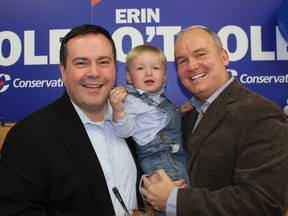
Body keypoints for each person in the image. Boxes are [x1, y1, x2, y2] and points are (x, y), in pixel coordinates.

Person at [141, 26, 288, 216]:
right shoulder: (186, 116)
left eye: (200, 55)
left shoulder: (260, 112)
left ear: (224, 57)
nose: (192, 66)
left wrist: (174, 200)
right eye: (182, 61)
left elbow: (264, 201)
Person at [0, 24, 144, 216]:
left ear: (114, 68)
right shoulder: (28, 138)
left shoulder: (137, 122)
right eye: (81, 63)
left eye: (103, 62)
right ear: (63, 71)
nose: (94, 72)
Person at [109, 45, 192, 190]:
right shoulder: (131, 101)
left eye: (155, 68)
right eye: (140, 68)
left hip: (176, 156)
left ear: (165, 76)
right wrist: (118, 109)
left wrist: (179, 112)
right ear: (129, 77)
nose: (148, 73)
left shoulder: (160, 99)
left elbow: (158, 121)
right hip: (158, 158)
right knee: (176, 197)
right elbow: (124, 132)